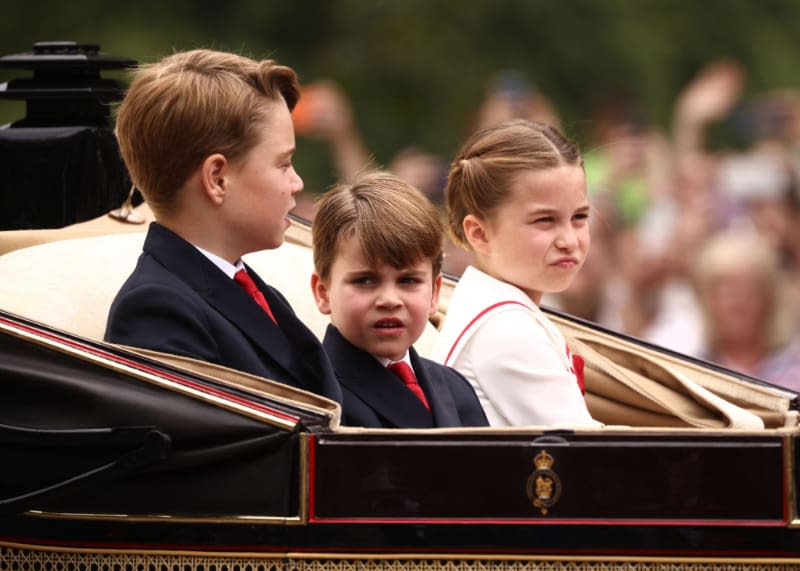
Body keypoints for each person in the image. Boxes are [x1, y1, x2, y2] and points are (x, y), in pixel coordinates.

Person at [104, 49, 341, 403]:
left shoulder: (250, 289)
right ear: (217, 178)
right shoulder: (157, 312)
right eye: (283, 164)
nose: (297, 182)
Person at [432, 119, 599, 427]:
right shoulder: (505, 328)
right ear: (479, 234)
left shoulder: (494, 310)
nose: (569, 240)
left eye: (579, 217)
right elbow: (592, 456)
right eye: (544, 221)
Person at [310, 170, 488, 428]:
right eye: (365, 281)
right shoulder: (316, 396)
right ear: (323, 292)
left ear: (434, 293)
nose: (390, 300)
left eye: (408, 281)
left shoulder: (455, 388)